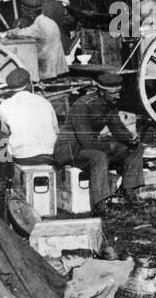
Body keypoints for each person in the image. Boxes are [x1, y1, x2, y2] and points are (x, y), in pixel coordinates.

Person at [60, 73, 142, 209]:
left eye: (119, 92)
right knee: (98, 156)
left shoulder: (109, 104)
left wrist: (130, 138)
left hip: (87, 147)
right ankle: (101, 204)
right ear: (102, 92)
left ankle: (129, 191)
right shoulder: (82, 105)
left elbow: (117, 128)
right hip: (70, 150)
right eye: (114, 93)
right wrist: (110, 147)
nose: (118, 96)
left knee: (135, 148)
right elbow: (87, 141)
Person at [0, 68, 59, 166]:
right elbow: (56, 130)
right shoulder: (44, 102)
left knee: (3, 139)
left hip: (23, 158)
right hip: (49, 155)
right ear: (30, 83)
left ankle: (5, 173)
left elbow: (5, 131)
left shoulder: (4, 105)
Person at [21, 0, 70, 80]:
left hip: (48, 63)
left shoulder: (41, 20)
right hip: (59, 58)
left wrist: (9, 33)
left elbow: (28, 32)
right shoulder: (52, 15)